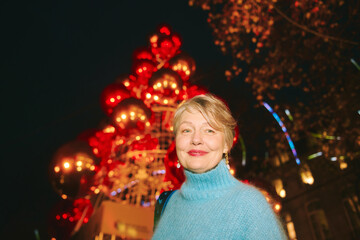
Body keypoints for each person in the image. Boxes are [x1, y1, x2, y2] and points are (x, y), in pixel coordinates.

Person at [152, 93, 288, 240]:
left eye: (209, 130)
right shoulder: (167, 203)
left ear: (226, 144)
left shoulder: (249, 204)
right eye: (186, 130)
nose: (196, 139)